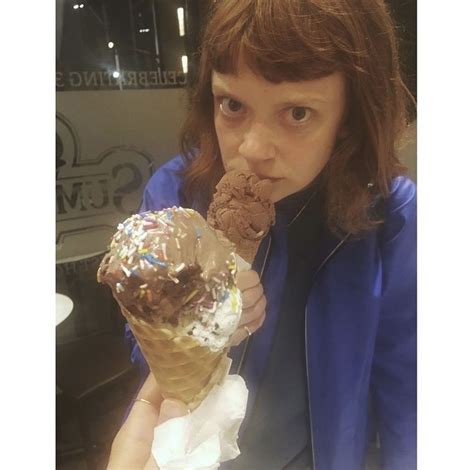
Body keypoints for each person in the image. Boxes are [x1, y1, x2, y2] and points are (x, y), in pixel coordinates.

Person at [110, 0, 417, 469]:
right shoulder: (176, 194)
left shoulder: (393, 219)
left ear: (351, 114)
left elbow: (410, 391)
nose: (252, 149)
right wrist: (195, 324)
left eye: (297, 113)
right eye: (232, 105)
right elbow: (144, 343)